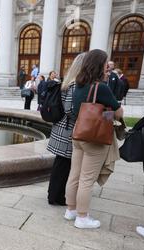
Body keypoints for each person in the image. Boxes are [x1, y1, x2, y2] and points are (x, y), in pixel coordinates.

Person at [65, 49, 123, 229]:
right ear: (99, 65)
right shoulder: (101, 87)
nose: (108, 67)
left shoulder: (79, 84)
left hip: (78, 134)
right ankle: (82, 218)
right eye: (106, 63)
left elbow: (79, 112)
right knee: (87, 179)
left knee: (74, 175)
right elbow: (118, 113)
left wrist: (104, 113)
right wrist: (109, 115)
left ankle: (71, 210)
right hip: (93, 139)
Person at [47, 53, 86, 206]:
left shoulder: (68, 82)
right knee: (63, 165)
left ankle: (54, 195)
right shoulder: (75, 84)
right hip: (67, 129)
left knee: (61, 164)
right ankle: (56, 197)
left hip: (61, 127)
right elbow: (70, 110)